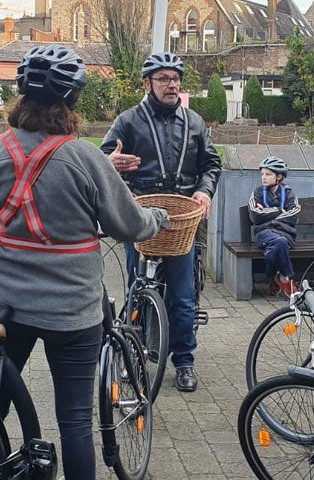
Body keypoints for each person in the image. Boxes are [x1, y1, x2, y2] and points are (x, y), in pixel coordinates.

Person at [0, 45, 168, 480]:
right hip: (73, 310)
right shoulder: (84, 157)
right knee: (74, 421)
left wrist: (10, 248)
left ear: (22, 97)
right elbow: (128, 224)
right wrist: (158, 218)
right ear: (72, 100)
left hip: (6, 306)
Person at [100, 51, 222, 392]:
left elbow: (211, 164)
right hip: (140, 217)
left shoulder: (195, 122)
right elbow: (103, 162)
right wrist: (111, 163)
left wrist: (204, 191)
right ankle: (133, 353)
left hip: (181, 219)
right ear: (148, 83)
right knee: (137, 289)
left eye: (176, 79)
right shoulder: (127, 121)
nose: (172, 85)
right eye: (164, 79)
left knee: (182, 296)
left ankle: (183, 361)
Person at [249, 156, 301, 297]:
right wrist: (279, 210)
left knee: (278, 245)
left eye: (268, 174)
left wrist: (268, 216)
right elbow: (255, 215)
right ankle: (285, 278)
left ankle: (275, 277)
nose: (264, 177)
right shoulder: (257, 193)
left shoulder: (289, 194)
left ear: (279, 177)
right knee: (279, 243)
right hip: (264, 233)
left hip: (286, 233)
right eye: (262, 174)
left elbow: (294, 215)